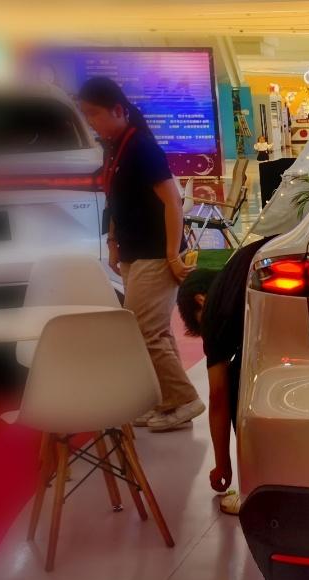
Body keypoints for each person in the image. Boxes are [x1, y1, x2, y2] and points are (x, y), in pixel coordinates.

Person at [77, 77, 204, 432]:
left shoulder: (141, 148)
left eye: (94, 114)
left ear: (118, 110)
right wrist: (113, 242)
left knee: (142, 331)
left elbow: (173, 203)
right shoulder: (115, 147)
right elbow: (116, 200)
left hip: (155, 253)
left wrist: (172, 255)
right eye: (86, 115)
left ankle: (184, 399)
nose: (91, 122)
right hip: (134, 251)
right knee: (155, 331)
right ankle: (167, 401)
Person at [176, 236, 274, 513]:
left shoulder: (214, 308)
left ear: (200, 300)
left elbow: (218, 397)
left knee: (235, 381)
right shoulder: (239, 271)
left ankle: (254, 489)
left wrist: (223, 465)